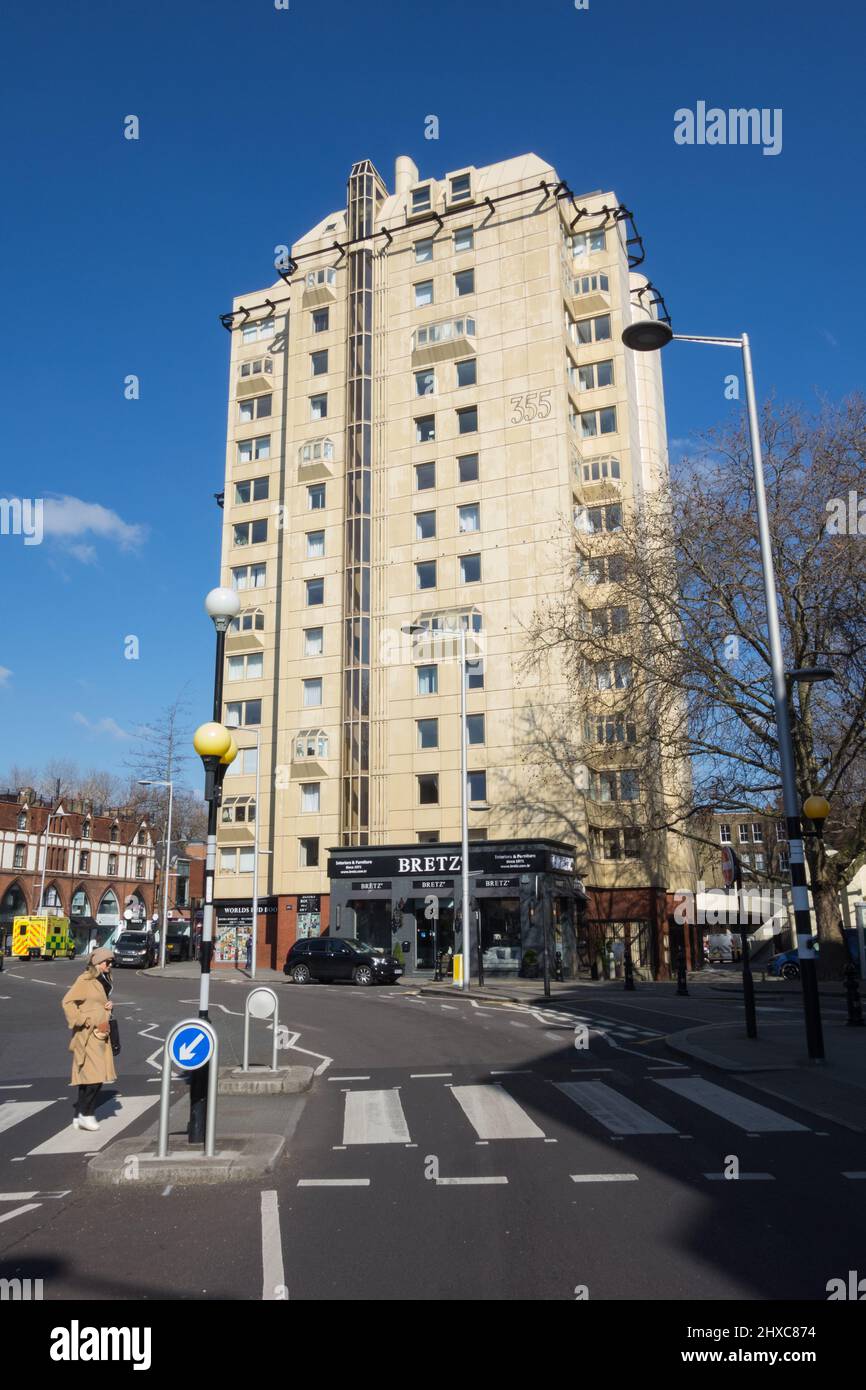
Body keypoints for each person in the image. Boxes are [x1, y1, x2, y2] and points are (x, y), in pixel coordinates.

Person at [61, 947, 116, 1132]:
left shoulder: (105, 979)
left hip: (101, 1032)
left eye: (110, 962)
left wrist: (108, 1006)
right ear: (97, 962)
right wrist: (82, 1020)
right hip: (88, 1033)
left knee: (89, 1076)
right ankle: (87, 1114)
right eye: (106, 962)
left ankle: (79, 1115)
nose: (109, 965)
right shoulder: (85, 979)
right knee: (96, 1075)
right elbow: (67, 1002)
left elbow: (97, 1002)